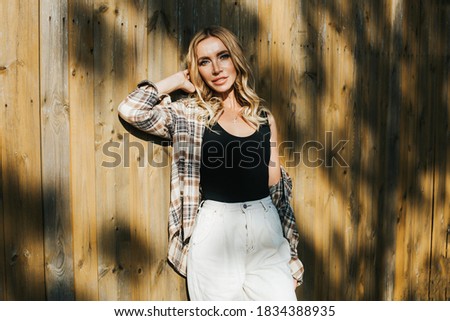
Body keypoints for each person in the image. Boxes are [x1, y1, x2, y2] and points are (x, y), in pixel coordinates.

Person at [118, 26, 303, 301]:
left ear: (236, 59)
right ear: (197, 69)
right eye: (204, 62)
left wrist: (292, 251)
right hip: (215, 231)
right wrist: (178, 80)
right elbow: (132, 110)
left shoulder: (264, 117)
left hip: (267, 229)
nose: (216, 68)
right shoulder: (188, 114)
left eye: (223, 56)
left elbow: (277, 190)